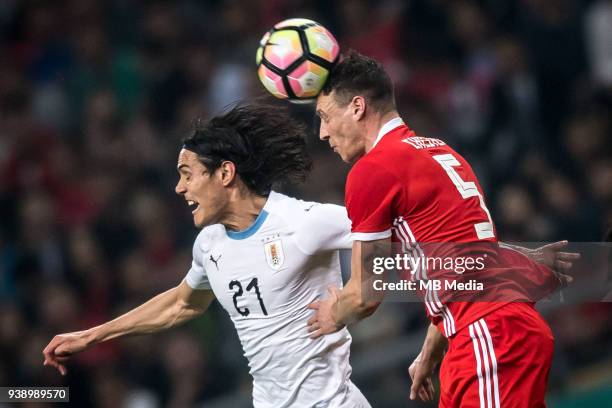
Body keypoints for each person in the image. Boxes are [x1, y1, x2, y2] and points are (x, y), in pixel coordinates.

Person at [42, 104, 371, 408]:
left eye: (188, 175)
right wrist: (91, 335)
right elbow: (183, 303)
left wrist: (357, 295)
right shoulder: (209, 243)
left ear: (225, 174)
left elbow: (407, 243)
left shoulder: (302, 222)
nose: (179, 188)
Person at [307, 51, 579, 407]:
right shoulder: (438, 151)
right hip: (485, 335)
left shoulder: (373, 169)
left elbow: (366, 294)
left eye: (325, 117)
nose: (324, 133)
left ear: (357, 107)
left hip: (489, 337)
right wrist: (430, 353)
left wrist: (333, 314)